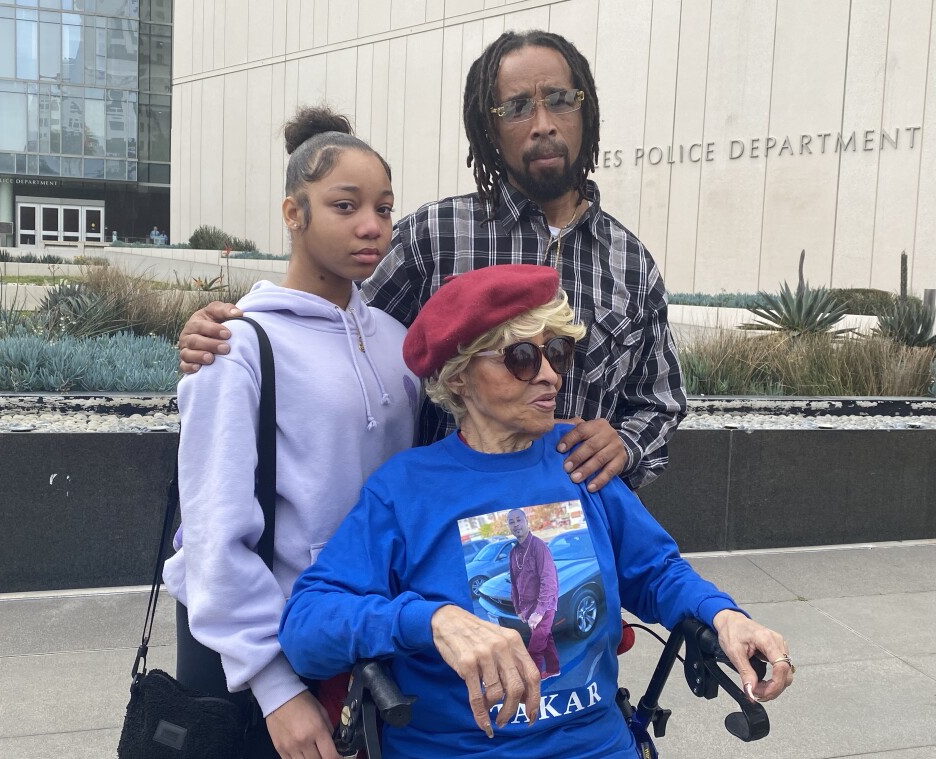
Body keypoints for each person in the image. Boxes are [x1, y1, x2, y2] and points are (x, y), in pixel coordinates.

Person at [278, 264, 794, 759]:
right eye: (522, 357)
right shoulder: (406, 488)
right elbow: (307, 626)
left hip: (598, 745)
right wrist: (432, 620)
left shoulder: (576, 458)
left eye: (558, 353)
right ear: (459, 376)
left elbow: (655, 571)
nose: (549, 375)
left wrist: (723, 616)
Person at [177, 29, 684, 494]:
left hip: (581, 539)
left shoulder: (630, 262)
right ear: (488, 128)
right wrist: (239, 335)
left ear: (585, 109)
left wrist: (626, 442)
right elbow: (340, 338)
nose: (543, 124)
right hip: (444, 537)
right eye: (517, 108)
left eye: (558, 100)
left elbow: (659, 399)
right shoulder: (435, 237)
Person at [161, 106, 419, 759]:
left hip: (375, 644)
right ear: (293, 213)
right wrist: (273, 686)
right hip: (276, 658)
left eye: (385, 209)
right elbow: (212, 532)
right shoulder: (238, 344)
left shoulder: (396, 342)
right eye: (345, 205)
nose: (371, 225)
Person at [506, 508, 559, 679]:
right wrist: (518, 609)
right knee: (547, 639)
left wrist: (539, 612)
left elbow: (549, 581)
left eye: (518, 520)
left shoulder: (539, 546)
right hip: (528, 608)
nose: (516, 525)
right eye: (511, 522)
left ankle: (530, 684)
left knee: (535, 648)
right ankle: (553, 669)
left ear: (526, 522)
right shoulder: (513, 553)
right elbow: (514, 583)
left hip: (544, 606)